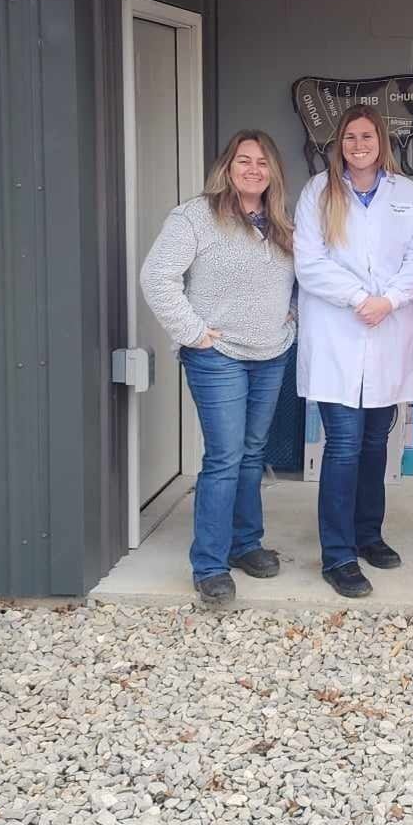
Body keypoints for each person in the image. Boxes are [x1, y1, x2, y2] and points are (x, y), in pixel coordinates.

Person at [139, 130, 296, 609]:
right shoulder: (196, 217)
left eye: (263, 162)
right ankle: (209, 564)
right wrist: (193, 332)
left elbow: (298, 281)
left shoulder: (281, 223)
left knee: (252, 452)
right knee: (225, 456)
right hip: (217, 357)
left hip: (271, 352)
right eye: (243, 160)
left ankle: (245, 543)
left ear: (273, 173)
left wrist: (291, 317)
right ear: (227, 167)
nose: (253, 170)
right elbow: (157, 276)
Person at [294, 104, 413, 599]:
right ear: (339, 144)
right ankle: (338, 555)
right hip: (339, 332)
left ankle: (368, 535)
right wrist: (360, 300)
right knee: (345, 445)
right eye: (350, 137)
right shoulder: (318, 192)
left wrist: (390, 300)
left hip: (389, 331)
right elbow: (309, 264)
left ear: (382, 142)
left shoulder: (407, 194)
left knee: (378, 442)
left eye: (367, 136)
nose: (359, 145)